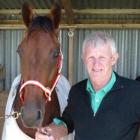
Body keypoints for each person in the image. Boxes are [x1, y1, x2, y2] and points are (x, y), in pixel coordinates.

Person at [35, 32, 140, 140]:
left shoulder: (135, 92)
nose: (96, 64)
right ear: (83, 58)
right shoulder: (76, 91)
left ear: (113, 59)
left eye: (102, 58)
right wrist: (50, 132)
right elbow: (68, 121)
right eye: (91, 58)